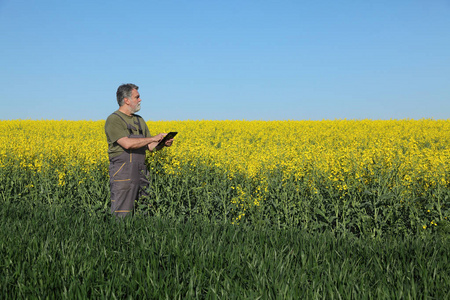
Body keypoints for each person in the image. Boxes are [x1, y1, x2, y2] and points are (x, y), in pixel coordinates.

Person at [105, 83, 174, 217]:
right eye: (137, 97)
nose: (140, 100)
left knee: (142, 212)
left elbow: (149, 146)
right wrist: (152, 138)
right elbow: (127, 144)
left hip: (141, 173)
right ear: (126, 100)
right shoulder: (114, 119)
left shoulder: (139, 120)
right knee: (122, 214)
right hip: (123, 173)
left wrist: (162, 143)